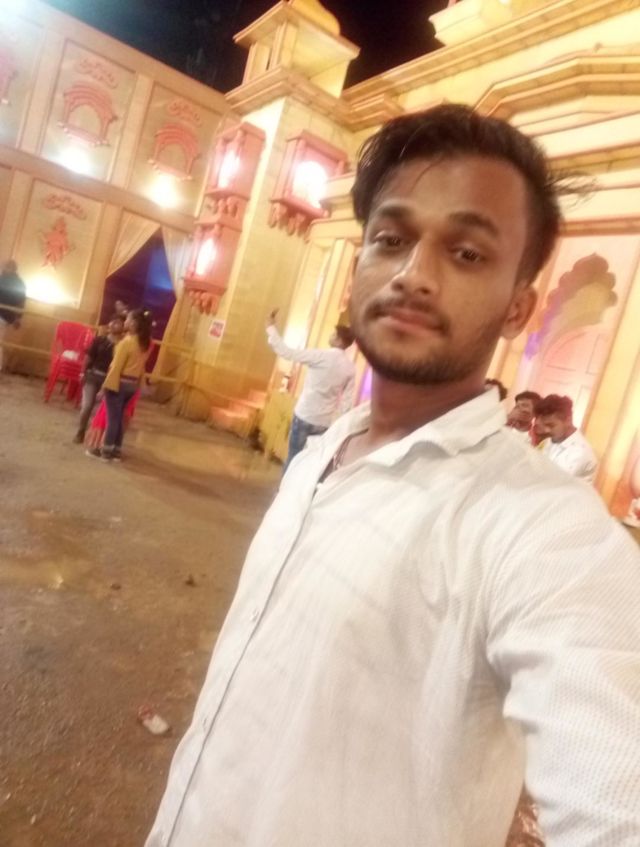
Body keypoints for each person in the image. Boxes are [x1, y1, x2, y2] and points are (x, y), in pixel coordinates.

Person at [147, 105, 640, 847]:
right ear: (359, 265)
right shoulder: (318, 457)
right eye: (391, 240)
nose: (413, 275)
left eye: (466, 252)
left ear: (519, 307)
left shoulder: (540, 526)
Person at [266, 309, 356, 470]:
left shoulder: (319, 356)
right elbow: (346, 403)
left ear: (339, 340)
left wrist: (271, 328)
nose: (330, 336)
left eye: (333, 334)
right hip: (324, 422)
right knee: (312, 465)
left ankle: (287, 485)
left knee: (293, 458)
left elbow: (287, 353)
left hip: (305, 414)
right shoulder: (350, 368)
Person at [89, 308, 151, 462]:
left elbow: (116, 368)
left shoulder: (126, 343)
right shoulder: (144, 344)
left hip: (119, 384)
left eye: (128, 319)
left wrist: (105, 388)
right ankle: (116, 451)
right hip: (132, 385)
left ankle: (106, 451)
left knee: (113, 419)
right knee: (119, 419)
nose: (125, 322)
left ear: (134, 323)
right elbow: (141, 368)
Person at [73, 315, 125, 443]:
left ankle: (100, 440)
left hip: (110, 381)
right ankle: (81, 431)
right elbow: (89, 357)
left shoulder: (123, 345)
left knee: (106, 412)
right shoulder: (99, 340)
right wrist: (82, 373)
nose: (113, 324)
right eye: (112, 321)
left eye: (118, 323)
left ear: (123, 326)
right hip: (92, 376)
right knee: (87, 406)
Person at [536, 394, 598, 483]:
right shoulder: (551, 440)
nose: (546, 430)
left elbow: (553, 482)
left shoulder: (580, 453)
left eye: (550, 425)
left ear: (568, 420)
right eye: (543, 425)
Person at [0, 260, 26, 372]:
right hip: (7, 316)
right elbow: (21, 303)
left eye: (5, 267)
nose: (3, 269)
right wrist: (18, 318)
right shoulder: (20, 283)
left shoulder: (3, 280)